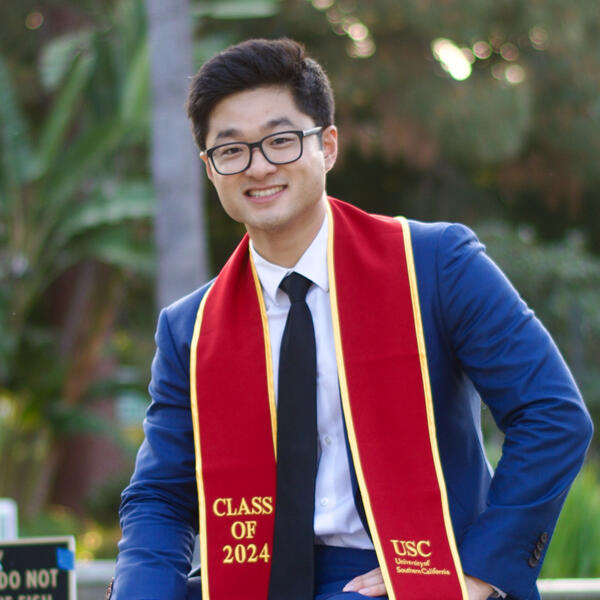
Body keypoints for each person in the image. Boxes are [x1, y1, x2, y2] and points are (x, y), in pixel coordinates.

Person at [110, 38, 593, 600]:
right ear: (211, 170)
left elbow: (552, 415)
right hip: (251, 576)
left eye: (281, 140)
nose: (259, 166)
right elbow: (161, 496)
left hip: (408, 572)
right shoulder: (191, 329)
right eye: (232, 150)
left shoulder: (435, 266)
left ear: (328, 146)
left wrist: (479, 570)